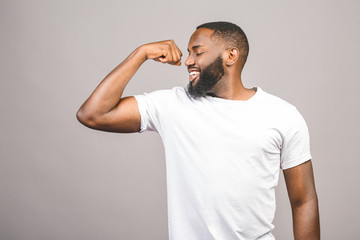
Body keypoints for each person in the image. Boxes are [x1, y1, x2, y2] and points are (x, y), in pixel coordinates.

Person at [76, 21, 320, 240]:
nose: (188, 60)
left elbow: (303, 201)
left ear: (231, 55)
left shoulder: (282, 115)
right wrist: (141, 54)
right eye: (189, 52)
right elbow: (93, 114)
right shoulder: (172, 105)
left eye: (198, 52)